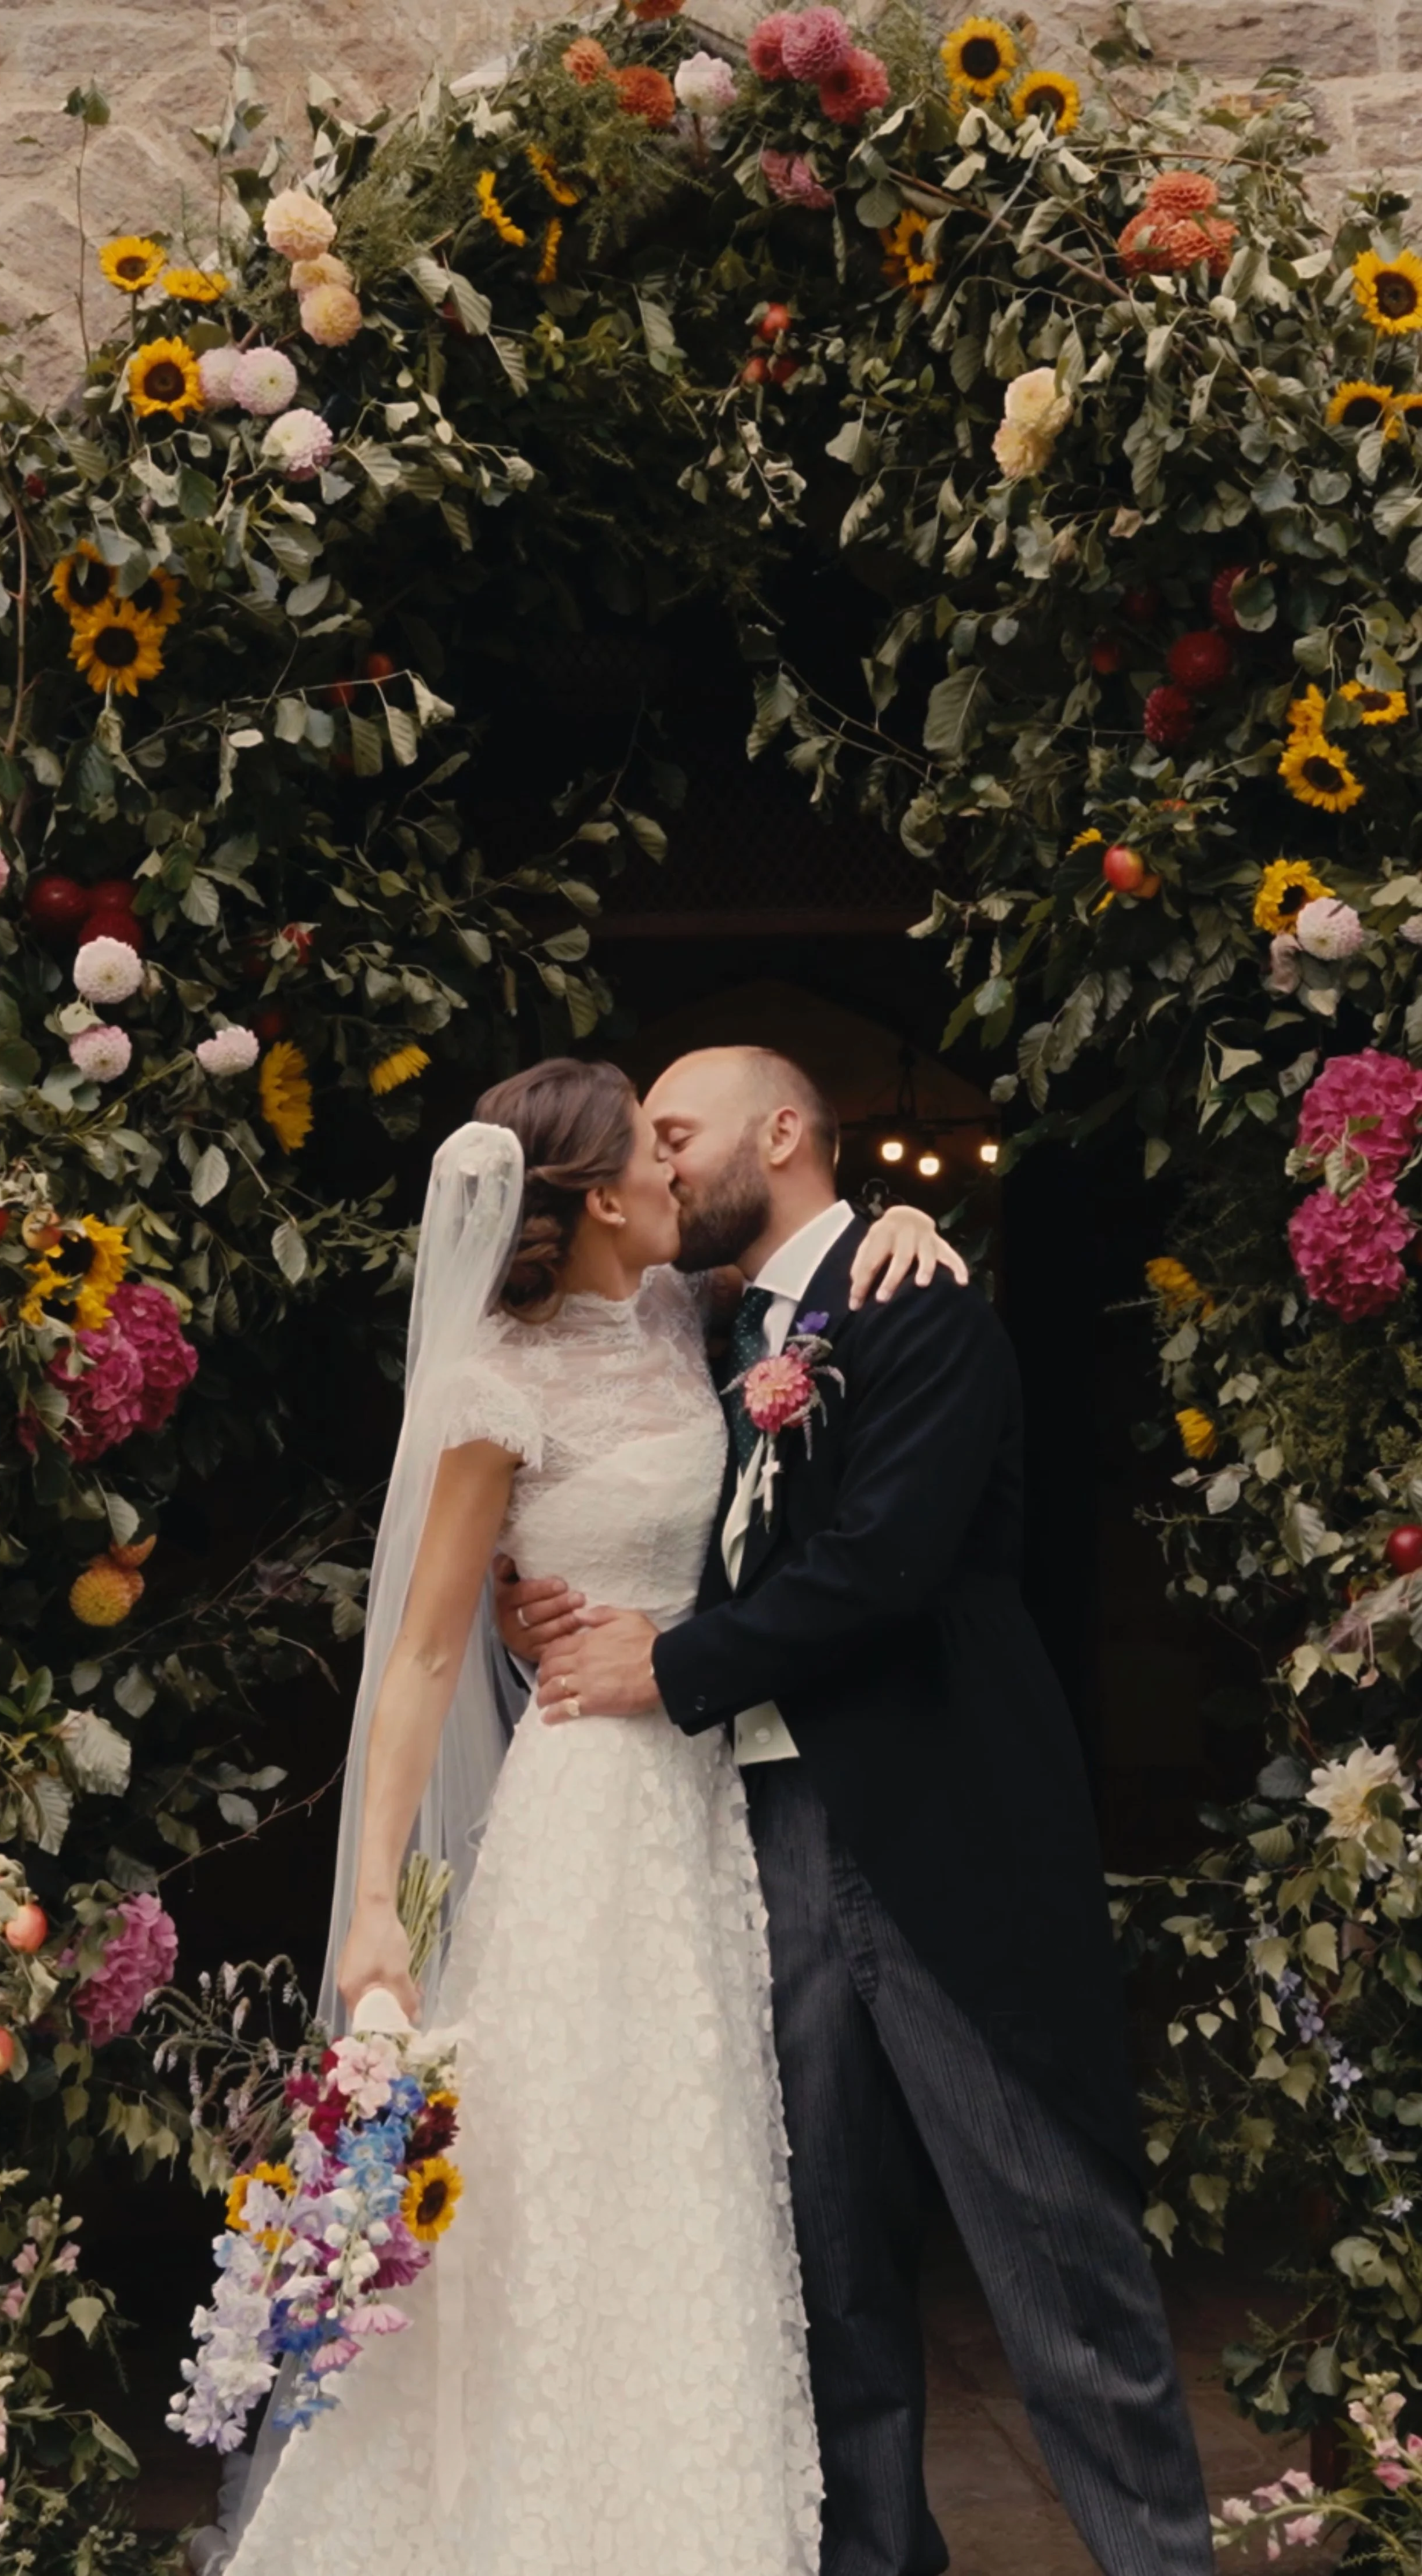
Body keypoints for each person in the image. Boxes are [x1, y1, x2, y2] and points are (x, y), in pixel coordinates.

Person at [214, 1054, 957, 2576]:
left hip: (719, 1802)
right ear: (603, 1194)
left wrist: (914, 1229)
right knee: (562, 2180)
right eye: (655, 1153)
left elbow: (811, 1300)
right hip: (584, 1811)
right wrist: (370, 1910)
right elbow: (421, 1652)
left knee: (707, 2175)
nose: (683, 1172)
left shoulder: (695, 1318)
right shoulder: (495, 1376)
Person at [507, 1044, 1215, 2576]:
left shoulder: (921, 1305)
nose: (662, 1163)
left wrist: (670, 1660)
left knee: (1053, 2247)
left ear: (781, 1130)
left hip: (933, 1834)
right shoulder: (698, 1334)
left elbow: (887, 1563)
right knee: (822, 2259)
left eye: (677, 1133)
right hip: (751, 1842)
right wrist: (539, 1598)